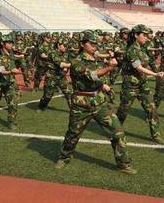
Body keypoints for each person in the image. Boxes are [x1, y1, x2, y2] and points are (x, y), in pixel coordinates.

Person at [55, 31, 136, 175]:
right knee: (73, 134)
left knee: (118, 131)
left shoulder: (96, 60)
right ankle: (64, 156)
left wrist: (103, 86)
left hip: (99, 102)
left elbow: (97, 79)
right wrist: (110, 67)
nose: (94, 46)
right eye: (91, 44)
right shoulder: (76, 61)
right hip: (81, 104)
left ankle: (124, 163)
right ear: (82, 44)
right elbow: (92, 75)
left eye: (95, 44)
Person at [116, 25, 164, 145]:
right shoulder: (131, 50)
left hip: (143, 85)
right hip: (131, 86)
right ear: (135, 35)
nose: (147, 37)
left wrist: (157, 69)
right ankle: (114, 130)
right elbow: (139, 68)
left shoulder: (141, 49)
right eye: (144, 35)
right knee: (123, 111)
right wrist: (155, 74)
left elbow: (148, 61)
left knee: (152, 110)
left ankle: (156, 134)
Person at [37, 37, 72, 111]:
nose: (66, 47)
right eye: (64, 45)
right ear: (59, 45)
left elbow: (68, 62)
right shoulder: (53, 53)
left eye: (66, 46)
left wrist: (67, 67)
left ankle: (73, 109)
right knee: (48, 95)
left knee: (68, 92)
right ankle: (41, 106)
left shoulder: (66, 54)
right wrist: (71, 65)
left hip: (61, 76)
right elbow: (61, 64)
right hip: (51, 76)